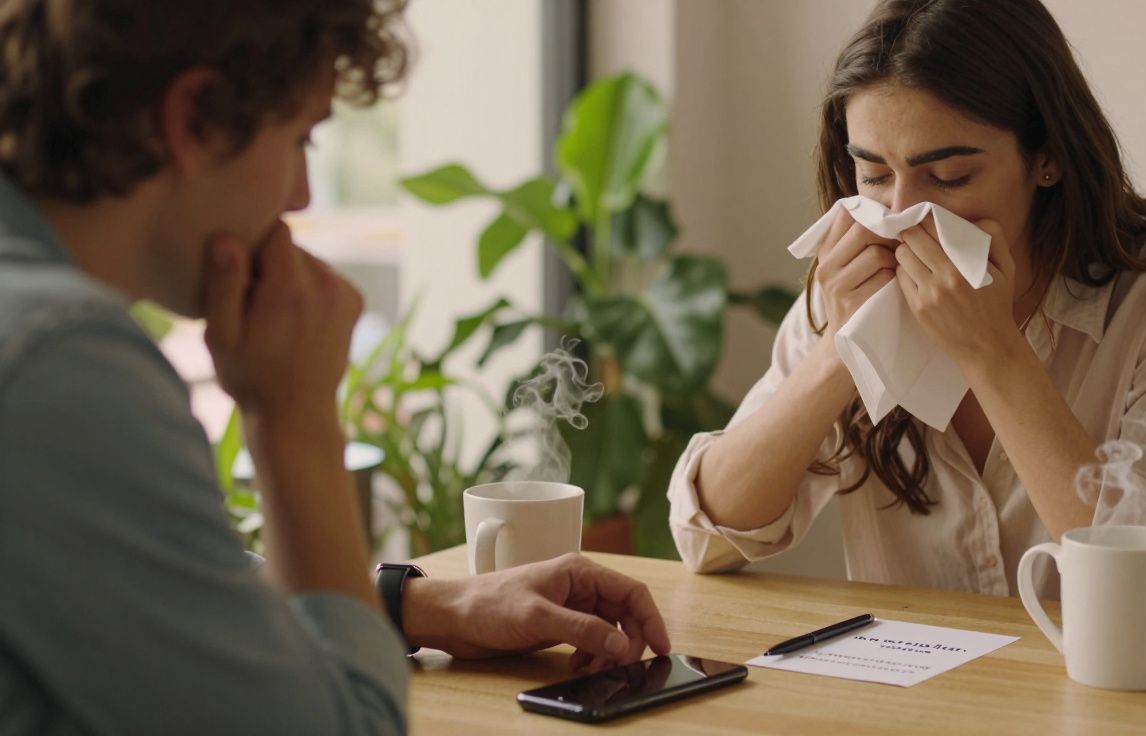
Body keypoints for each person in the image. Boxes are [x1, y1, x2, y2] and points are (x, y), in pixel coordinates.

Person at [0, 1, 668, 733]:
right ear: (194, 119)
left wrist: (423, 605)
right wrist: (294, 419)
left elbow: (148, 588)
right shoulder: (58, 370)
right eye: (302, 139)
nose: (301, 196)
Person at [668, 0, 1146, 617]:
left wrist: (993, 353)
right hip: (917, 703)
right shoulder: (852, 283)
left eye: (951, 177)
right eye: (874, 175)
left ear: (1048, 158)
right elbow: (708, 537)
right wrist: (839, 350)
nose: (903, 214)